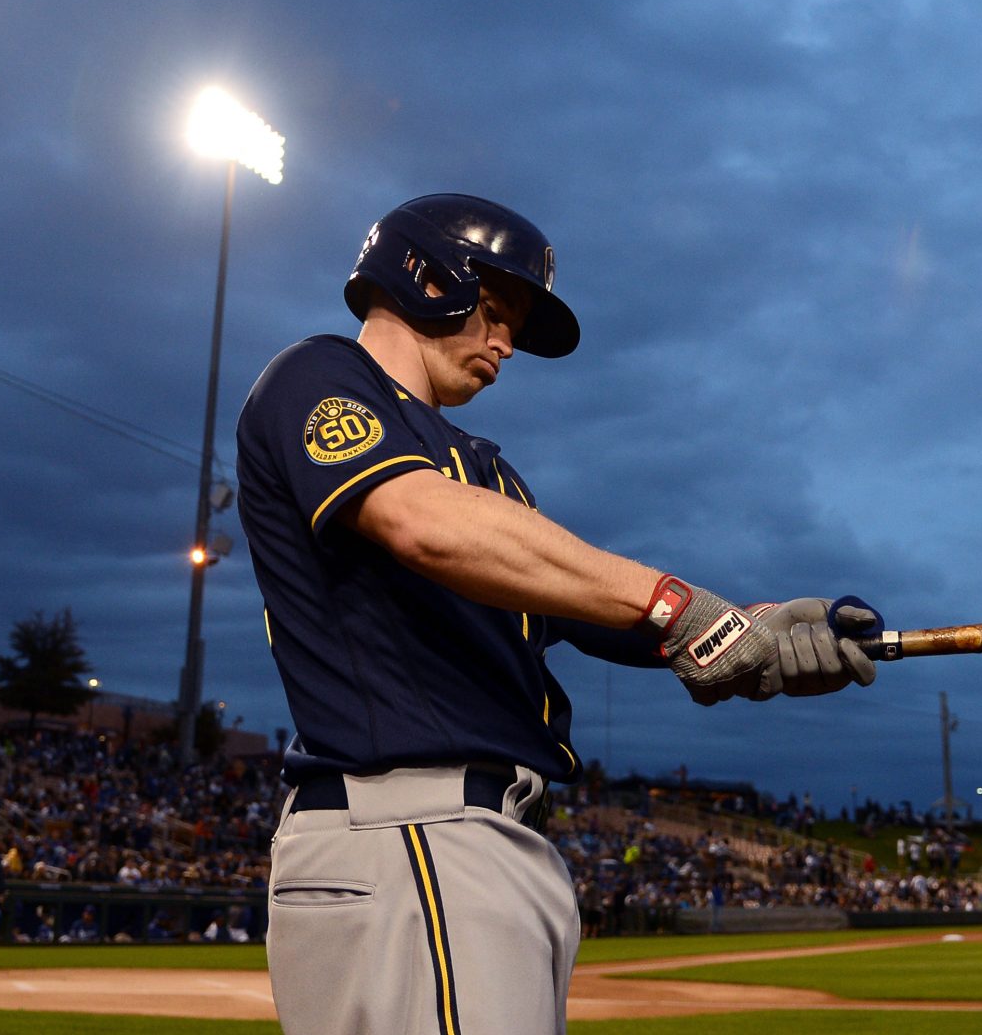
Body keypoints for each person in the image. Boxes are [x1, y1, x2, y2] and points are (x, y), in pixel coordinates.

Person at [239, 194, 877, 1035]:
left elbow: (593, 612)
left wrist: (762, 635)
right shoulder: (321, 377)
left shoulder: (487, 475)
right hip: (411, 828)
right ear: (426, 276)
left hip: (472, 841)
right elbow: (421, 523)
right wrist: (676, 605)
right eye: (498, 313)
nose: (506, 345)